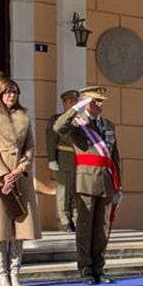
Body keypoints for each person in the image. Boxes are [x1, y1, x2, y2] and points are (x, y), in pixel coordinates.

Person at [0, 77, 41, 286]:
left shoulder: (24, 116)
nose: (11, 96)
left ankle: (15, 273)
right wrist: (4, 174)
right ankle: (1, 274)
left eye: (14, 92)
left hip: (20, 176)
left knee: (20, 226)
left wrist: (21, 169)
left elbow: (30, 147)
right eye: (7, 92)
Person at [53, 86, 122, 285]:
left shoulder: (109, 125)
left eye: (101, 101)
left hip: (107, 181)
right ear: (84, 102)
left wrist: (119, 185)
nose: (99, 105)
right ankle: (85, 268)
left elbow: (115, 156)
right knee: (85, 228)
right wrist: (77, 108)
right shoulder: (77, 123)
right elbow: (58, 127)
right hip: (86, 181)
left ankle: (99, 268)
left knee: (103, 229)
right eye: (94, 101)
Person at [46, 90, 81, 232]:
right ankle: (65, 220)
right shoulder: (56, 119)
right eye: (70, 101)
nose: (73, 104)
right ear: (64, 103)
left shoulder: (80, 119)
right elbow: (50, 139)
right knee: (64, 190)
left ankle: (76, 218)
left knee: (76, 190)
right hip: (64, 157)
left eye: (75, 101)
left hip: (78, 159)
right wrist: (52, 159)